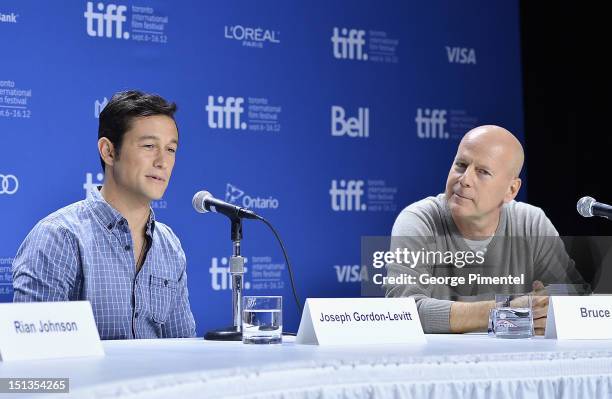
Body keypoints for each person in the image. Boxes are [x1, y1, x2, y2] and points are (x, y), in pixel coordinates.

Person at [12, 90, 196, 340]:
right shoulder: (59, 237)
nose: (162, 161)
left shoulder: (169, 245)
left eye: (171, 149)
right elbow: (35, 354)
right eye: (149, 146)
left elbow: (182, 349)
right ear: (108, 151)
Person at [384, 125, 584, 335]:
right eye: (461, 165)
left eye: (483, 172)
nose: (464, 179)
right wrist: (507, 312)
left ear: (511, 190)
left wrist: (548, 306)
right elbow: (403, 312)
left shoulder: (530, 223)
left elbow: (576, 296)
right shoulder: (418, 221)